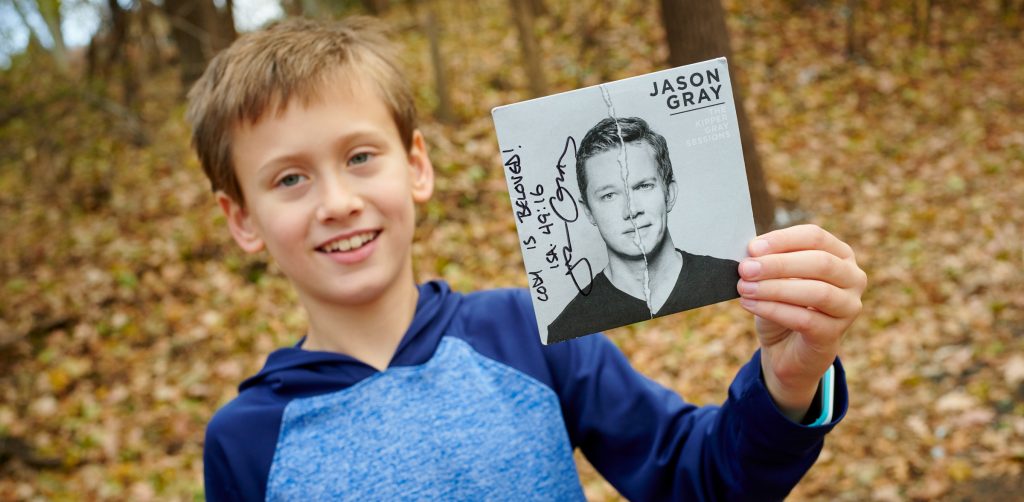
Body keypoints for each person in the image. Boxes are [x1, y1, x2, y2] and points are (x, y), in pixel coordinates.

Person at [188, 17, 867, 501]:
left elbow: (703, 478)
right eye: (289, 179)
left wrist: (785, 387)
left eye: (360, 158)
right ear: (242, 218)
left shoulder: (526, 335)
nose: (336, 201)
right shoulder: (244, 443)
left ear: (416, 167)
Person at [546, 116, 740, 343]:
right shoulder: (566, 330)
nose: (631, 210)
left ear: (669, 194)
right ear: (588, 211)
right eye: (609, 195)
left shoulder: (731, 280)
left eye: (643, 186)